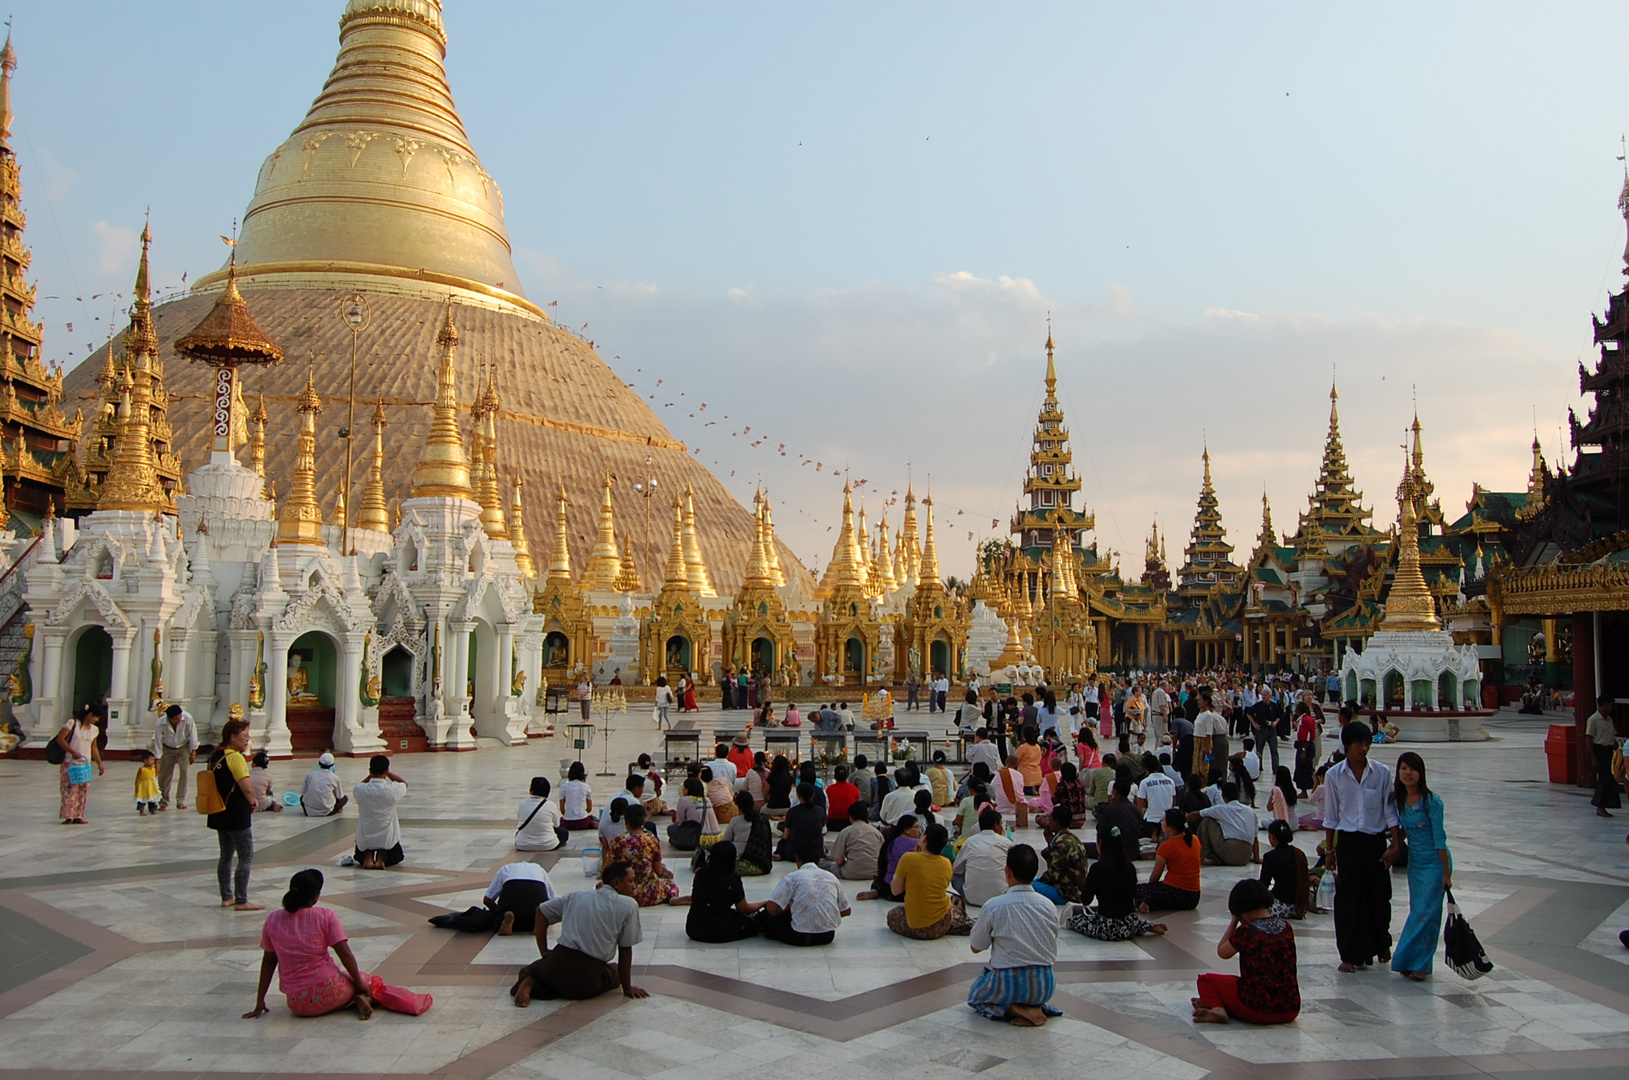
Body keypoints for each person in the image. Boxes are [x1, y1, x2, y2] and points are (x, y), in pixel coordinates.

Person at [245, 870, 420, 1020]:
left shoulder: (273, 920)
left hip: (298, 1003)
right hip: (330, 989)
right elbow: (344, 953)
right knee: (367, 980)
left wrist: (260, 1000)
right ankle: (358, 998)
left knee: (346, 980)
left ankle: (352, 1001)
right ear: (315, 897)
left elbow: (269, 961)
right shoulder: (325, 916)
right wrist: (359, 983)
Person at [1323, 720, 1401, 973]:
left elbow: (1390, 810)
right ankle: (1349, 952)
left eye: (1367, 744)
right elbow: (1331, 815)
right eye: (1358, 744)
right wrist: (1329, 850)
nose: (1363, 749)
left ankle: (1381, 942)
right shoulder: (1334, 775)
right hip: (1348, 841)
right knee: (1348, 898)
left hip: (1375, 840)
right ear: (1347, 746)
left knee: (1378, 896)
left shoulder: (1381, 773)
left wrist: (1396, 844)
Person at [511, 861, 648, 1004]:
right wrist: (627, 987)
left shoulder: (576, 896)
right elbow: (625, 949)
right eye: (631, 881)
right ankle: (538, 987)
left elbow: (541, 911)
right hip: (587, 977)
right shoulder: (629, 906)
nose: (634, 885)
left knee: (529, 971)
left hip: (557, 961)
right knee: (614, 972)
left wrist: (544, 950)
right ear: (616, 883)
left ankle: (530, 984)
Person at [966, 844, 1062, 1027]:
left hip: (1008, 983)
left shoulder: (994, 906)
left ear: (1008, 871)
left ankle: (1012, 1009)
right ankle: (1035, 1007)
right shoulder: (1048, 906)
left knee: (976, 995)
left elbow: (975, 947)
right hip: (1044, 985)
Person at [1192, 879, 1300, 1025]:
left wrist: (1234, 920)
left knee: (1206, 980)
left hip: (1255, 1009)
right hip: (1290, 1009)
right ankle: (1222, 1004)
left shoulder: (1247, 931)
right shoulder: (1286, 927)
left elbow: (1222, 952)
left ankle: (1218, 1009)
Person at [1391, 751, 1451, 981]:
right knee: (1418, 910)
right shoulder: (1400, 800)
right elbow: (1405, 830)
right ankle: (1411, 961)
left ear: (1421, 773)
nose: (1408, 773)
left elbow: (1440, 838)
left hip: (1435, 864)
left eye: (1413, 769)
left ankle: (1421, 963)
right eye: (1404, 768)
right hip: (1415, 865)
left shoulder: (1432, 802)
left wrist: (1446, 873)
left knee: (1428, 914)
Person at [1067, 825, 1168, 941]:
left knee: (1075, 919)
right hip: (1130, 925)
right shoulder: (1129, 867)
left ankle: (1144, 926)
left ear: (1100, 843)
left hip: (1108, 928)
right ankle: (1145, 926)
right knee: (1125, 917)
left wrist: (1085, 881)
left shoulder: (1098, 868)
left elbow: (1086, 900)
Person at [207, 717, 261, 910]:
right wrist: (253, 801)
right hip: (237, 813)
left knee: (226, 855)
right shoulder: (235, 757)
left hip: (219, 811)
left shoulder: (215, 756)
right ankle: (241, 899)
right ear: (232, 737)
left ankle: (226, 896)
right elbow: (246, 787)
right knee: (245, 855)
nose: (247, 740)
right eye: (244, 736)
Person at [887, 823, 974, 939]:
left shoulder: (908, 858)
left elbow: (895, 890)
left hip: (916, 926)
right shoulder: (946, 863)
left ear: (925, 838)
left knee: (892, 914)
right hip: (942, 924)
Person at [762, 841, 851, 945]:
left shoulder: (792, 877)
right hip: (826, 936)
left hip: (798, 936)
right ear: (818, 861)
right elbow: (846, 911)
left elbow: (772, 908)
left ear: (797, 859)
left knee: (766, 916)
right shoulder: (831, 878)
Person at [607, 805, 687, 906]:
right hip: (650, 893)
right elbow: (658, 871)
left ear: (626, 821)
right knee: (670, 885)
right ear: (643, 821)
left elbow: (607, 868)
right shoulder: (652, 840)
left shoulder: (618, 841)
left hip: (624, 892)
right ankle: (671, 898)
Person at [687, 843, 766, 943]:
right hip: (720, 931)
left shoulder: (701, 874)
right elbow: (743, 908)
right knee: (753, 920)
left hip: (694, 928)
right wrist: (764, 903)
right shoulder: (732, 879)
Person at [1138, 808, 1202, 913]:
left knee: (1139, 890)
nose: (1161, 823)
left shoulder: (1166, 846)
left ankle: (1148, 903)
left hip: (1176, 892)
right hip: (1194, 896)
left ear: (1170, 827)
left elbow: (1155, 877)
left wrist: (1150, 891)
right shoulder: (1194, 839)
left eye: (1163, 820)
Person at [953, 807, 1014, 907]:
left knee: (956, 877)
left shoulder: (970, 842)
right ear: (995, 825)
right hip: (1002, 896)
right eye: (1000, 824)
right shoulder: (1007, 843)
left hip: (972, 898)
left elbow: (956, 869)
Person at [54, 706, 104, 824]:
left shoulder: (95, 730)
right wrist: (72, 751)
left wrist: (99, 763)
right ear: (90, 715)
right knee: (69, 789)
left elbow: (94, 747)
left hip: (85, 763)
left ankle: (78, 814)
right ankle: (68, 815)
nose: (97, 720)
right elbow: (60, 739)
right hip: (70, 762)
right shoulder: (73, 724)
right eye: (96, 717)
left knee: (83, 790)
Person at [1190, 782, 1259, 867]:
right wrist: (1257, 858)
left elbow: (1197, 814)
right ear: (1238, 795)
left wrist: (1180, 819)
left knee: (1207, 820)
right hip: (1246, 855)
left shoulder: (1222, 809)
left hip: (1230, 851)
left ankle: (1204, 855)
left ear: (1223, 797)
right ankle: (1217, 858)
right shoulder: (1250, 811)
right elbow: (1255, 837)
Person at [484, 860, 557, 936]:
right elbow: (553, 899)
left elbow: (487, 899)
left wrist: (497, 912)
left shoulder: (505, 868)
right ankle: (537, 923)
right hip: (535, 899)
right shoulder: (539, 869)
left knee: (498, 920)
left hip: (512, 894)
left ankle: (505, 917)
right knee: (540, 915)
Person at [1033, 811, 1089, 905]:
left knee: (1027, 886)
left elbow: (1053, 875)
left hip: (1066, 893)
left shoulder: (1060, 844)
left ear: (1056, 822)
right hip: (1078, 890)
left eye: (1049, 819)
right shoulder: (1072, 837)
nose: (1048, 822)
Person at [1259, 820, 1310, 920]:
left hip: (1280, 906)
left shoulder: (1270, 857)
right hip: (1299, 907)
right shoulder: (1299, 853)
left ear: (1272, 837)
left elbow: (1264, 884)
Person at [822, 801, 884, 879]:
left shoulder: (846, 832)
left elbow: (839, 861)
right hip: (875, 872)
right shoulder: (877, 833)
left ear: (851, 817)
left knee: (823, 863)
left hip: (851, 873)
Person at [152, 702, 196, 811]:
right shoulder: (160, 724)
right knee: (165, 775)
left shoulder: (187, 718)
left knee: (184, 771)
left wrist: (193, 752)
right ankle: (164, 801)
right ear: (169, 718)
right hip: (168, 747)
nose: (179, 719)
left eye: (180, 717)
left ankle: (180, 800)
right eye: (176, 718)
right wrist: (157, 761)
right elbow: (157, 742)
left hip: (184, 746)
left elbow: (193, 734)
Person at [720, 790, 773, 874]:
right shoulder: (763, 819)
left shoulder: (735, 821)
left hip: (742, 861)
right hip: (763, 865)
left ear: (738, 806)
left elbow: (725, 842)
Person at [1588, 696, 1621, 818]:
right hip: (1599, 750)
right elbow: (1589, 739)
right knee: (1604, 778)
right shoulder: (1593, 720)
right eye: (1611, 705)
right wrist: (1593, 758)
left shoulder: (1609, 720)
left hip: (1609, 750)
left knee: (1611, 778)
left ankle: (1604, 804)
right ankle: (1599, 806)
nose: (1612, 707)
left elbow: (1611, 736)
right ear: (1605, 705)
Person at [777, 782, 826, 863]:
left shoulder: (793, 811)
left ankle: (780, 854)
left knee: (782, 842)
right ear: (813, 795)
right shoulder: (820, 810)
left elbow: (786, 835)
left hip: (796, 852)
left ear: (798, 795)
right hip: (816, 851)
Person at [516, 776, 564, 852]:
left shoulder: (522, 803)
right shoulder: (551, 805)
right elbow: (556, 825)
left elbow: (520, 821)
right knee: (563, 832)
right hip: (547, 844)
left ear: (531, 790)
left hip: (522, 844)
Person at [300, 753, 348, 817]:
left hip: (309, 811)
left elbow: (303, 793)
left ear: (319, 763)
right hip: (327, 811)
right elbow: (340, 796)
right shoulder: (335, 777)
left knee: (301, 798)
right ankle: (336, 809)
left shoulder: (309, 775)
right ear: (332, 765)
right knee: (345, 798)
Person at [559, 761, 595, 829]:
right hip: (582, 821)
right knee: (592, 818)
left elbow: (562, 809)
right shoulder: (586, 787)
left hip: (567, 822)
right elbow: (589, 808)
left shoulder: (563, 787)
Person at [824, 764, 860, 830]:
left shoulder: (829, 789)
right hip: (849, 821)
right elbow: (857, 803)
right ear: (847, 776)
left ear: (835, 776)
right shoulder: (853, 788)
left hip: (832, 822)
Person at [133, 750, 160, 816]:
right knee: (142, 800)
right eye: (151, 760)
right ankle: (141, 811)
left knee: (152, 800)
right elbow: (138, 778)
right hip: (143, 787)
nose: (153, 762)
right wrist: (137, 787)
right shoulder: (141, 769)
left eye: (153, 760)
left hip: (151, 787)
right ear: (145, 761)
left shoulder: (153, 768)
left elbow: (154, 777)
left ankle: (153, 810)